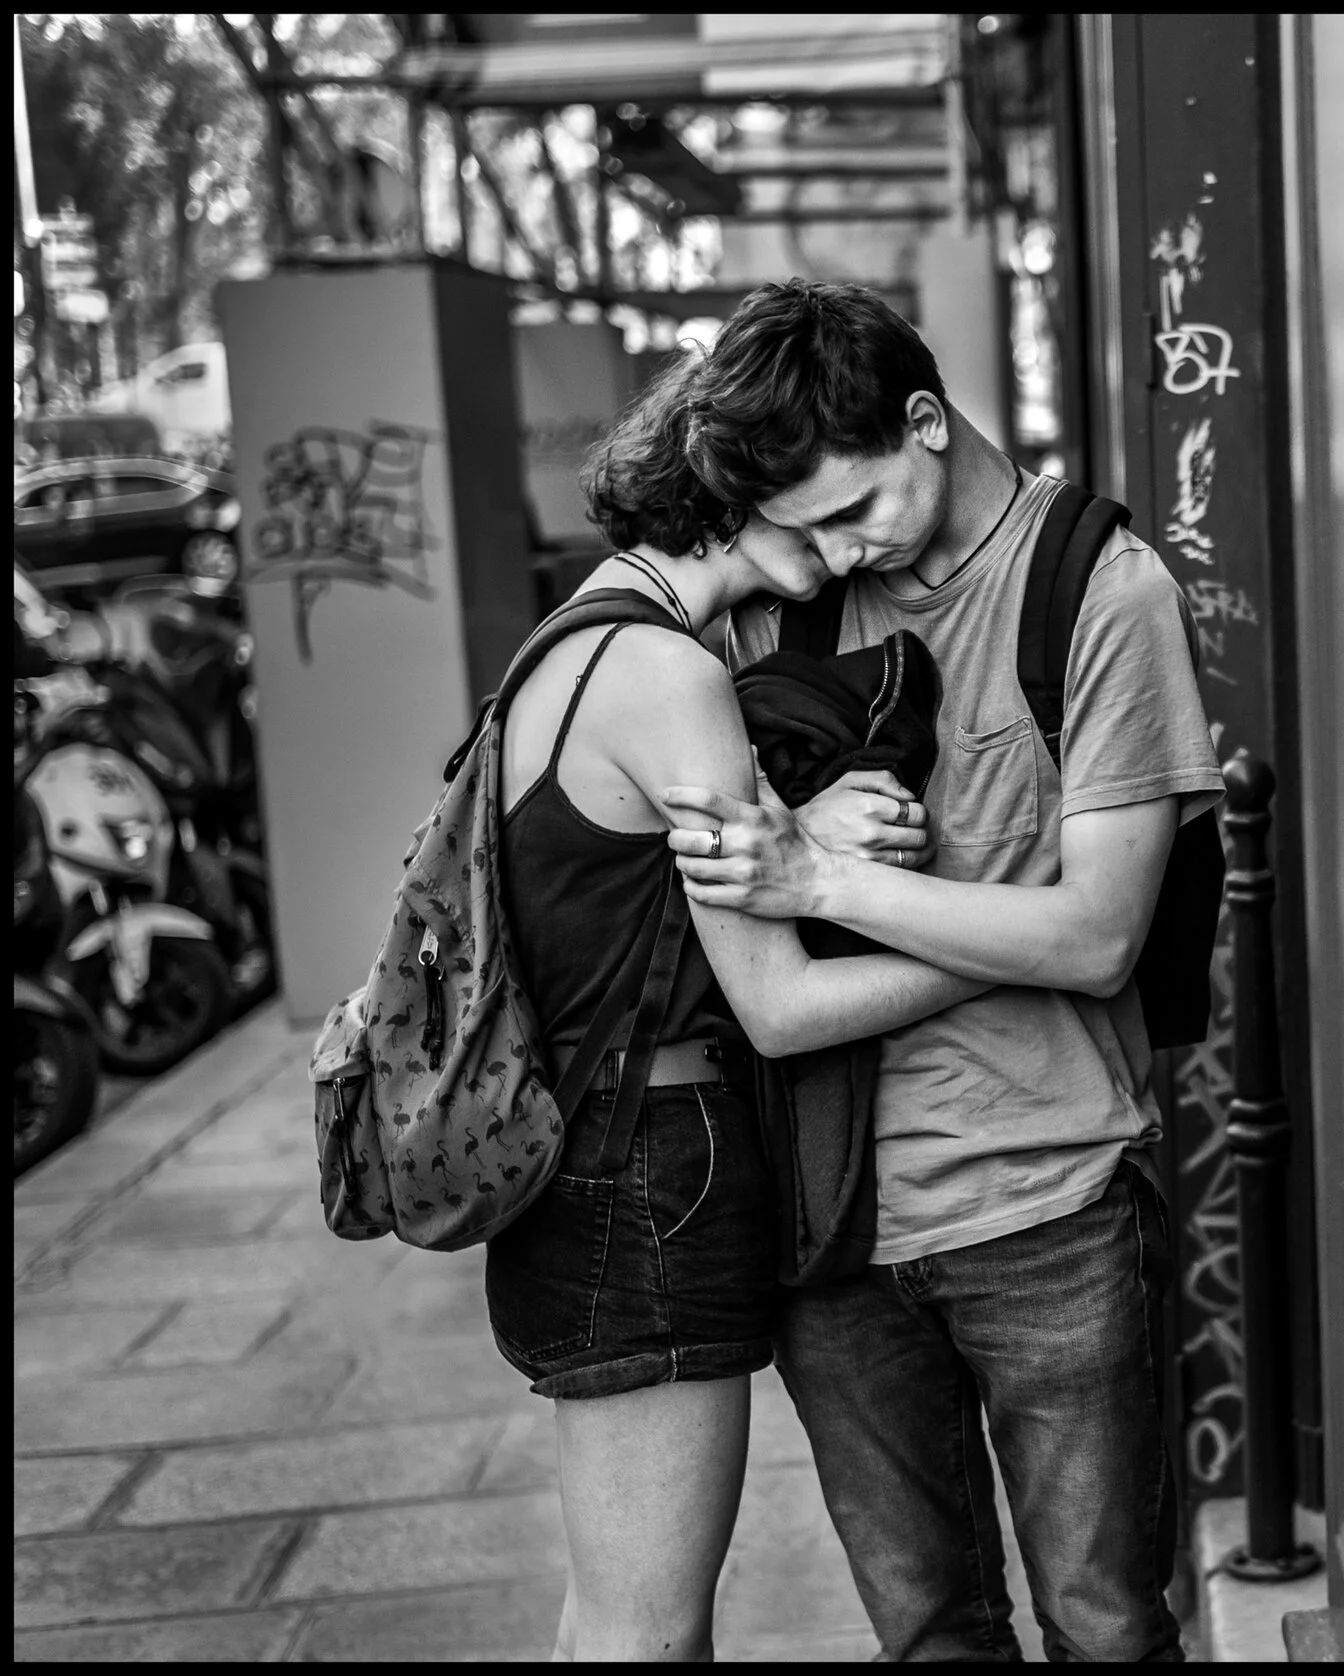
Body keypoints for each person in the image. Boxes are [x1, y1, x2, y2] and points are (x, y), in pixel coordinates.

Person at [659, 281, 1223, 1662]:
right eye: (797, 532)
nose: (829, 557)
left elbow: (1100, 935)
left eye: (851, 512)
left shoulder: (1097, 585)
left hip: (1053, 1206)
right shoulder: (785, 596)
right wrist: (788, 833)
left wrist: (825, 880)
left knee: (1106, 1627)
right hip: (833, 1234)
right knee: (929, 1636)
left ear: (925, 421)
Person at [485, 351, 964, 1662]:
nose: (828, 526)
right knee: (649, 1631)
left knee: (614, 1618)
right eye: (787, 489)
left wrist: (793, 822)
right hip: (651, 1167)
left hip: (587, 1161)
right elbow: (782, 1010)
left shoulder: (574, 644)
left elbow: (625, 880)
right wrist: (1014, 952)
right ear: (724, 495)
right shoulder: (674, 677)